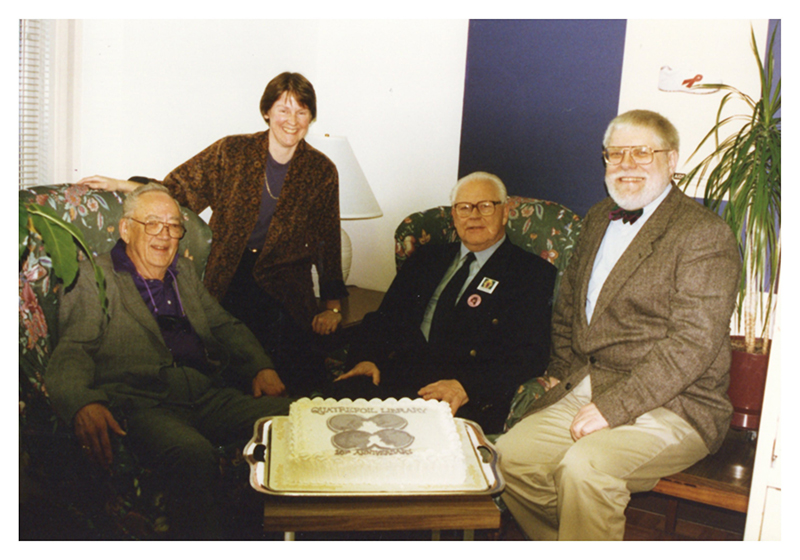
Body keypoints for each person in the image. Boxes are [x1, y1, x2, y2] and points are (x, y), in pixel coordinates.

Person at [495, 110, 741, 540]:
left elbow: (693, 343)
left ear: (672, 160)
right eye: (615, 154)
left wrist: (613, 409)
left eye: (643, 152)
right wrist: (560, 368)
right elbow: (569, 303)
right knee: (508, 457)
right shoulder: (597, 216)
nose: (627, 164)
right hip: (590, 383)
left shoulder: (704, 233)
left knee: (585, 468)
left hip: (678, 403)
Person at [45, 184, 293, 539]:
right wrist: (82, 401)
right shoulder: (95, 276)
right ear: (126, 228)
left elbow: (223, 325)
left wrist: (260, 366)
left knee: (296, 417)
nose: (165, 235)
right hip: (144, 402)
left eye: (174, 225)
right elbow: (75, 347)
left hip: (206, 395)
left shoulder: (183, 275)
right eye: (153, 224)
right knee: (193, 454)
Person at [77, 72, 347, 396]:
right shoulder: (231, 152)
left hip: (286, 284)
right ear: (267, 112)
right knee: (234, 363)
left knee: (300, 374)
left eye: (301, 111)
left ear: (311, 117)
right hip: (229, 275)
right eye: (283, 110)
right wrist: (123, 185)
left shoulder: (321, 171)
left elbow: (327, 238)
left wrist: (332, 307)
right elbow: (179, 190)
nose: (292, 120)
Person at [331, 172, 557, 434]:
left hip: (460, 391)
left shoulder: (531, 273)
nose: (473, 215)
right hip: (397, 376)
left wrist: (467, 386)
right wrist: (368, 358)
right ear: (454, 216)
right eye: (463, 208)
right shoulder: (427, 258)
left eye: (485, 206)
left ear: (504, 213)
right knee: (331, 416)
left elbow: (530, 354)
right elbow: (385, 317)